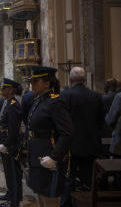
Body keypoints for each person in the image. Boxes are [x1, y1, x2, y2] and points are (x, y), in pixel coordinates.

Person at [27, 66, 74, 207]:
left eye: (35, 81)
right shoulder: (40, 100)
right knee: (40, 194)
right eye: (31, 81)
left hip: (48, 156)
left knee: (49, 198)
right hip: (37, 155)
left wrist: (54, 157)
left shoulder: (55, 102)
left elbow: (67, 133)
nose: (32, 84)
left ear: (47, 83)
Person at [60, 67, 104, 207]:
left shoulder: (65, 96)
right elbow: (100, 120)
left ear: (70, 79)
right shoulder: (96, 96)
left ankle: (67, 204)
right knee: (89, 179)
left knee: (68, 179)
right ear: (85, 80)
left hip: (70, 144)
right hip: (91, 142)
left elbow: (61, 121)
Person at [0, 78, 23, 207]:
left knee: (13, 171)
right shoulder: (7, 102)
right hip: (4, 139)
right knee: (7, 170)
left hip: (10, 143)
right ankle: (10, 192)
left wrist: (7, 144)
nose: (2, 89)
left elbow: (14, 128)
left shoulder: (14, 105)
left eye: (4, 88)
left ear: (10, 90)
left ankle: (14, 200)